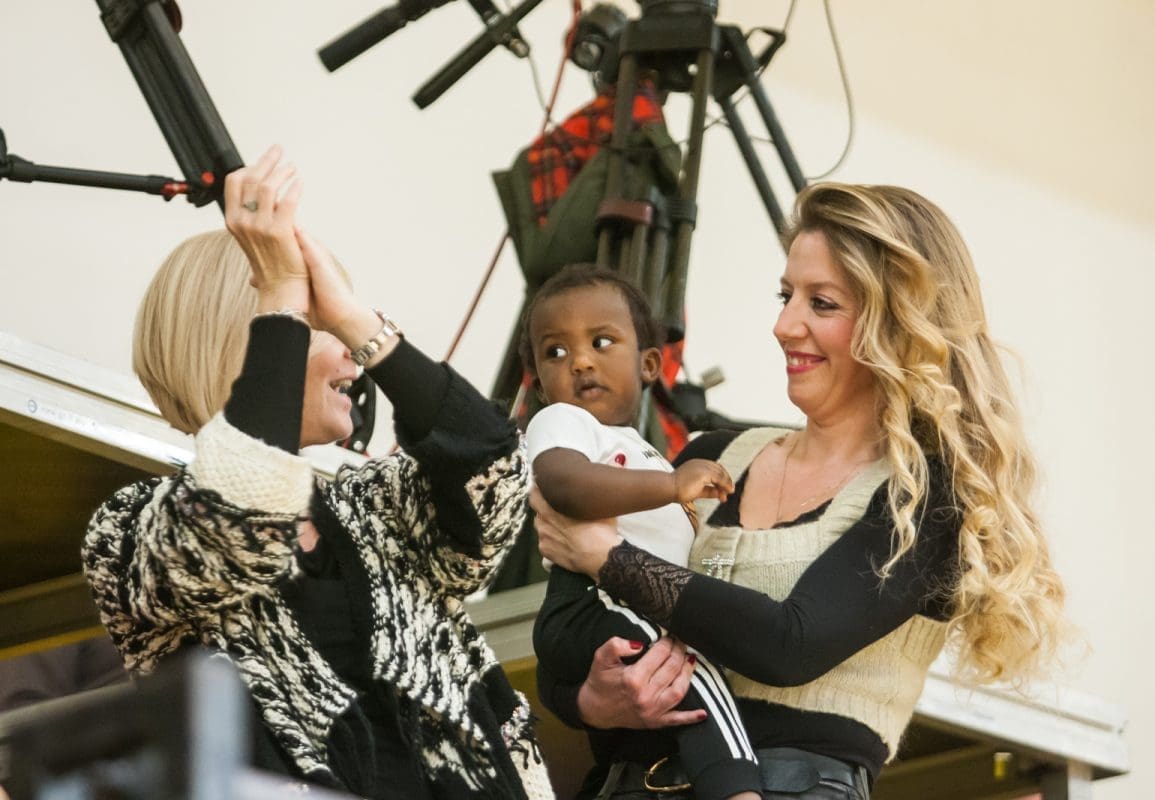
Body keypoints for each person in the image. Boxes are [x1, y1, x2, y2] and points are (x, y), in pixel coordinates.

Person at [533, 183, 1068, 799]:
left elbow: (791, 644)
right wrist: (590, 701)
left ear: (898, 322)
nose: (785, 325)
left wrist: (607, 557)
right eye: (786, 296)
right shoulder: (711, 457)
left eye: (822, 303)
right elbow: (570, 628)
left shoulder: (927, 498)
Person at [81, 147, 553, 799]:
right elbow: (233, 520)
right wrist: (279, 294)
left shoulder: (374, 511)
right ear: (249, 338)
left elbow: (492, 468)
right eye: (319, 324)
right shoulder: (128, 530)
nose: (353, 359)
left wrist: (359, 322)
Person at [520, 266, 759, 800]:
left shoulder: (637, 449)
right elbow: (565, 484)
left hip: (615, 608)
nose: (580, 361)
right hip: (592, 599)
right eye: (556, 352)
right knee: (695, 674)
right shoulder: (564, 424)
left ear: (649, 363)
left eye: (601, 342)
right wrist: (671, 486)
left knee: (682, 686)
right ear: (539, 386)